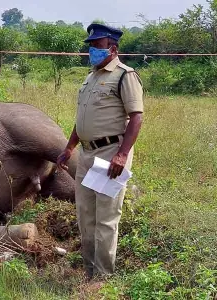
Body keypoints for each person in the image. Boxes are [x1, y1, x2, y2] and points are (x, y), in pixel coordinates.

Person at [57, 23, 144, 280]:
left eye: (97, 45)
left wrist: (122, 154)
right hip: (86, 155)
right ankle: (89, 272)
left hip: (110, 154)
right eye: (91, 45)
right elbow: (82, 118)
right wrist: (69, 146)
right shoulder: (91, 77)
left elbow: (136, 118)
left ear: (113, 48)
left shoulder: (125, 76)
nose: (92, 49)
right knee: (86, 217)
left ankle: (102, 278)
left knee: (106, 219)